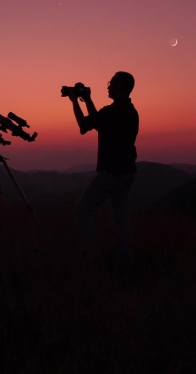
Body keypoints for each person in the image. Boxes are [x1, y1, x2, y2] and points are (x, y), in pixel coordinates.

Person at [66, 71, 139, 267]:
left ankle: (88, 259)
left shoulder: (113, 111)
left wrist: (75, 101)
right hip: (127, 172)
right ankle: (126, 262)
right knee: (121, 219)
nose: (108, 86)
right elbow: (99, 122)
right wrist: (88, 99)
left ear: (120, 87)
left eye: (111, 83)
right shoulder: (129, 111)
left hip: (111, 172)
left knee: (81, 212)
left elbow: (85, 125)